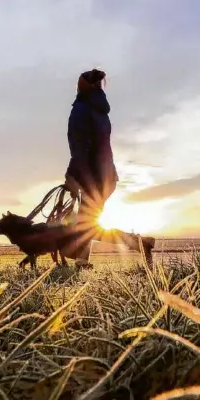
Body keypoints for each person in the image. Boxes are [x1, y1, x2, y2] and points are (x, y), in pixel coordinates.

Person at [63, 68, 155, 269]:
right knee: (86, 223)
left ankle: (142, 244)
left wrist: (71, 176)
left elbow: (80, 148)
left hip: (92, 176)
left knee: (85, 225)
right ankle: (83, 260)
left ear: (81, 86)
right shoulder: (99, 110)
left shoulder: (81, 109)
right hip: (106, 175)